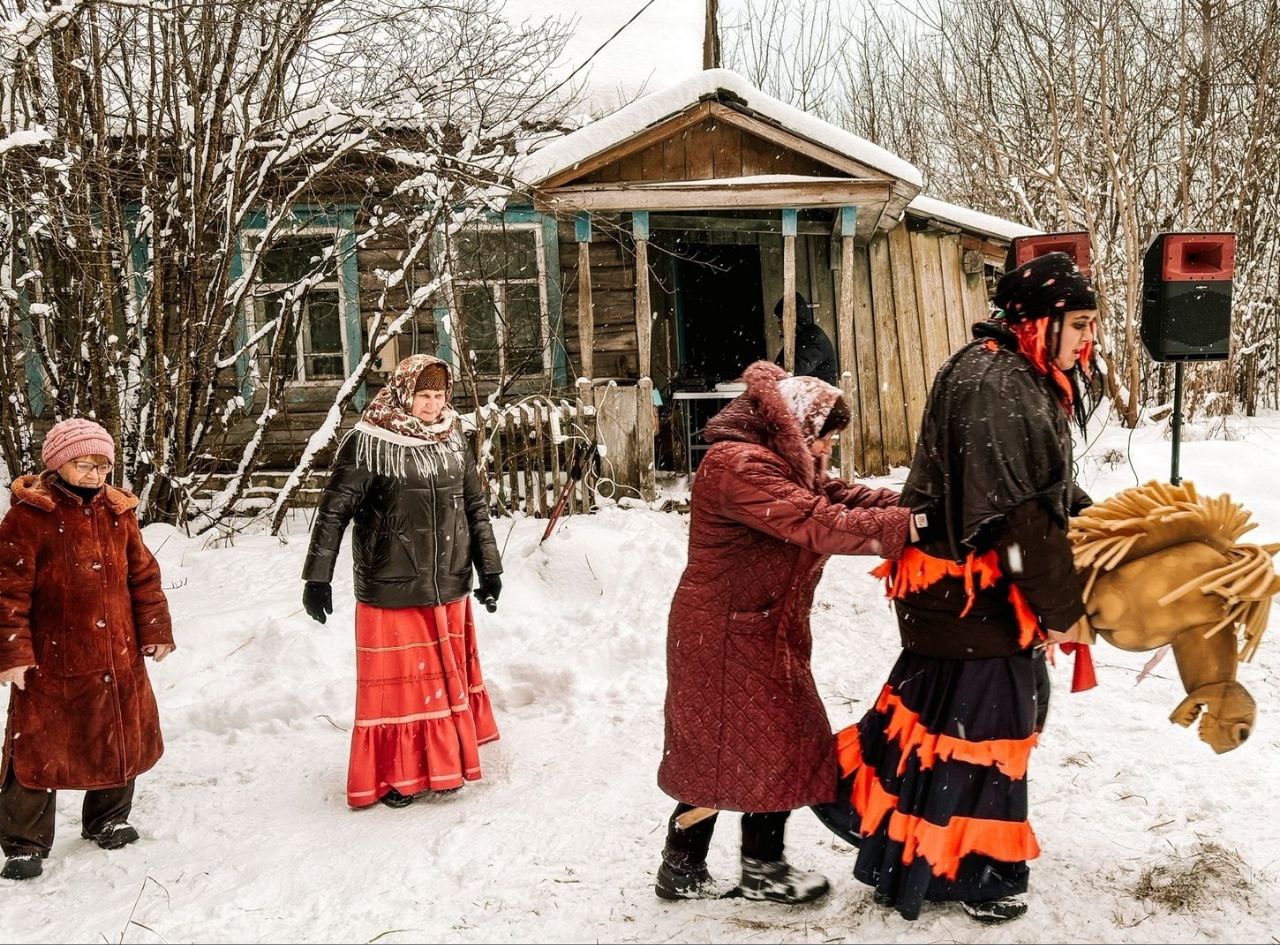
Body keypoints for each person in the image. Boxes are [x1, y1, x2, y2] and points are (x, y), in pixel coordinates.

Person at [814, 251, 1098, 924]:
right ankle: (976, 868)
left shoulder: (1010, 371)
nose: (1088, 339)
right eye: (1080, 323)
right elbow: (1020, 515)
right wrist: (1064, 611)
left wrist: (1108, 527)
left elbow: (1046, 489)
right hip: (969, 589)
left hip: (956, 591)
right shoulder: (999, 380)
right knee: (987, 725)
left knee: (943, 717)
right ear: (1040, 319)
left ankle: (880, 823)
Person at [656, 360, 915, 904]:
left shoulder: (782, 465)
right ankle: (694, 866)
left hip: (762, 628)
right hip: (723, 636)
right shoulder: (738, 467)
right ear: (794, 428)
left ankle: (750, 866)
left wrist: (917, 503)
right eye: (822, 440)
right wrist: (912, 527)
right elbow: (818, 522)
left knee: (771, 744)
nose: (826, 454)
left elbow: (840, 499)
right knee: (731, 750)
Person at [301, 355, 503, 809]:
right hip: (391, 585)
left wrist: (489, 567)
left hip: (447, 581)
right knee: (401, 691)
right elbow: (333, 512)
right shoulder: (370, 442)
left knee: (439, 680)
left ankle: (443, 763)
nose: (432, 405)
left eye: (438, 395)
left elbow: (474, 506)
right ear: (403, 393)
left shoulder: (452, 437)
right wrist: (318, 578)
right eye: (423, 395)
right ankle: (398, 773)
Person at [0, 418, 175, 881]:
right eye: (85, 464)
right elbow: (8, 591)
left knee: (119, 736)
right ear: (59, 464)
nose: (96, 474)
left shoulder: (119, 512)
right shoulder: (28, 516)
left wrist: (154, 628)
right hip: (52, 660)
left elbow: (143, 577)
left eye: (103, 465)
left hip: (117, 654)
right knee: (37, 750)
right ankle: (24, 842)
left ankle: (108, 818)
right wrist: (14, 653)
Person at [772, 292, 837, 385]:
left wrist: (772, 375)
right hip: (806, 393)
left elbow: (795, 369)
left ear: (793, 318)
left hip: (820, 395)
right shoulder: (799, 338)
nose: (780, 325)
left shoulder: (814, 338)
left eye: (781, 320)